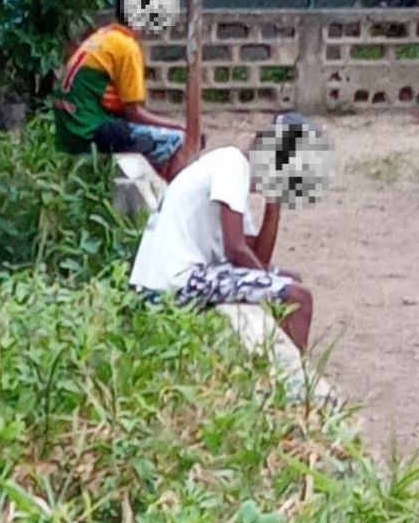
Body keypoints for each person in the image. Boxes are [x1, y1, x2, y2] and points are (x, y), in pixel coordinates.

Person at [129, 115, 313, 352]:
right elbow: (235, 249)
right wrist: (271, 282)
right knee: (299, 297)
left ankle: (276, 358)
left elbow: (258, 256)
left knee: (291, 280)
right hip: (170, 285)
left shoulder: (232, 174)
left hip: (167, 280)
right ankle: (294, 382)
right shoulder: (232, 163)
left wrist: (274, 203)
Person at [52, 0, 190, 181]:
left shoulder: (102, 36)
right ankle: (169, 201)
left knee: (149, 134)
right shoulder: (126, 47)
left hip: (69, 130)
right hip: (90, 131)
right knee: (179, 139)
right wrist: (177, 125)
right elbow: (133, 113)